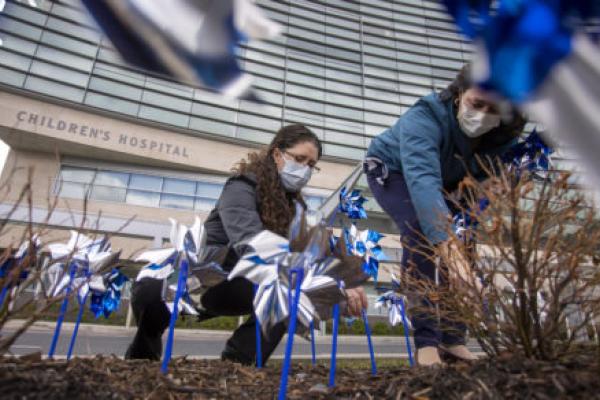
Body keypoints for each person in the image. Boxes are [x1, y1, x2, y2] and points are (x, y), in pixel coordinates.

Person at [126, 123, 368, 365]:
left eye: (311, 165)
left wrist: (345, 283)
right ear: (277, 154)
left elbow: (316, 253)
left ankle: (238, 362)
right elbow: (250, 242)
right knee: (149, 292)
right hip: (203, 278)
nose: (304, 170)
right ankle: (141, 357)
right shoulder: (241, 186)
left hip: (238, 288)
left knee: (290, 292)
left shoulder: (297, 211)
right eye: (300, 159)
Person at [364, 65, 526, 366]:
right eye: (476, 104)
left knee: (466, 242)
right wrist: (449, 250)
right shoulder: (423, 118)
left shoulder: (505, 134)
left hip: (454, 179)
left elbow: (501, 176)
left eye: (494, 109)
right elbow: (423, 182)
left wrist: (497, 185)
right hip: (395, 170)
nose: (483, 114)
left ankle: (453, 338)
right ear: (458, 94)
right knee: (421, 230)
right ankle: (426, 340)